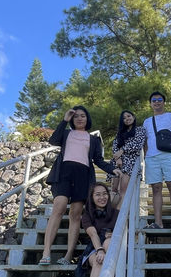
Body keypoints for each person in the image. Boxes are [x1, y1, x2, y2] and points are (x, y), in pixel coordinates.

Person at [40, 106, 120, 266]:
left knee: (76, 214)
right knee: (59, 206)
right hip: (63, 173)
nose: (79, 118)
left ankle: (68, 255)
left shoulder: (93, 140)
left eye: (83, 116)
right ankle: (46, 252)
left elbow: (98, 160)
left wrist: (112, 169)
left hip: (83, 176)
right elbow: (53, 140)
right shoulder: (66, 133)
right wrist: (65, 119)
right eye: (76, 116)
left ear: (87, 118)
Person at [142, 91, 171, 231]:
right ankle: (158, 222)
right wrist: (146, 155)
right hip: (152, 158)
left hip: (169, 155)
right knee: (156, 189)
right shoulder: (147, 121)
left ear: (163, 102)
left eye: (159, 99)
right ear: (151, 104)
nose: (157, 102)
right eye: (154, 100)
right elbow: (145, 141)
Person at [79, 182, 120, 277]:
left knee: (109, 242)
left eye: (104, 194)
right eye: (97, 195)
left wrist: (115, 234)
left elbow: (126, 232)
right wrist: (100, 250)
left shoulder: (116, 214)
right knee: (98, 262)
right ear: (92, 198)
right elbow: (93, 233)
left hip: (112, 246)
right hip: (94, 246)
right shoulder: (87, 215)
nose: (102, 197)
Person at [111, 110, 146, 201]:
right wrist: (117, 158)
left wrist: (122, 150)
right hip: (118, 162)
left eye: (129, 116)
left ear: (133, 117)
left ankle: (123, 214)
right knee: (114, 190)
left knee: (123, 190)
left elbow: (137, 144)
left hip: (131, 163)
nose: (127, 119)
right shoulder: (120, 133)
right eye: (124, 118)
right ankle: (114, 213)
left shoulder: (140, 130)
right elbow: (115, 145)